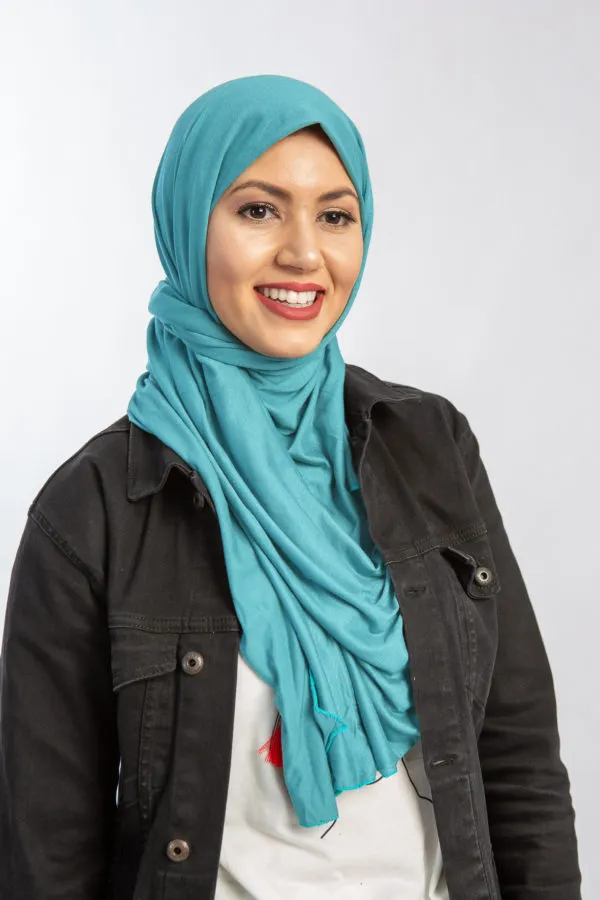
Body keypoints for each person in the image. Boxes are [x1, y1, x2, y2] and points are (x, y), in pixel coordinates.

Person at [0, 74, 581, 900]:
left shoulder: (431, 449)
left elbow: (519, 764)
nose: (305, 253)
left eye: (335, 216)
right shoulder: (96, 509)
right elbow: (46, 852)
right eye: (259, 210)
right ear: (188, 223)